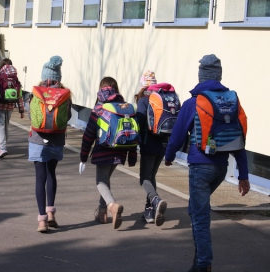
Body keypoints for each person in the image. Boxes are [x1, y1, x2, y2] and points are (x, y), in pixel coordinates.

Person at [164, 54, 250, 272]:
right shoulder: (231, 102)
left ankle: (203, 265)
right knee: (195, 210)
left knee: (200, 217)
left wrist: (169, 155)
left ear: (201, 76)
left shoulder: (194, 102)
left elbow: (178, 134)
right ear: (219, 76)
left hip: (200, 166)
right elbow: (238, 138)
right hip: (221, 167)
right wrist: (243, 175)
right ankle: (198, 262)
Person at [80, 77, 137, 230]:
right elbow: (133, 132)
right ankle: (102, 213)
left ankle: (112, 206)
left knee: (100, 181)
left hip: (103, 150)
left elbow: (89, 134)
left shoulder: (99, 108)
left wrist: (83, 156)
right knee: (106, 179)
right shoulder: (125, 107)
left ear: (101, 90)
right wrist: (132, 157)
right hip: (121, 150)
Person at [28, 56, 71, 233]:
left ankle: (42, 221)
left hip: (38, 139)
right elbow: (67, 117)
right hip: (57, 140)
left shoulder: (36, 94)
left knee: (40, 177)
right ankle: (51, 213)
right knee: (51, 173)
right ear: (58, 78)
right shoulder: (65, 95)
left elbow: (32, 116)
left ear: (44, 76)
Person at [134, 71, 168, 226]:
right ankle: (150, 210)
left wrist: (135, 143)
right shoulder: (162, 99)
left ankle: (155, 200)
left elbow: (140, 122)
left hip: (148, 144)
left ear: (142, 85)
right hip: (162, 144)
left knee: (144, 178)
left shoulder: (143, 100)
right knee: (151, 176)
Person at [0, 58, 24, 158]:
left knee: (0, 126)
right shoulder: (15, 79)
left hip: (0, 105)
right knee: (6, 126)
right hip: (11, 105)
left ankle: (2, 148)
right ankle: (4, 146)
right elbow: (19, 95)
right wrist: (21, 109)